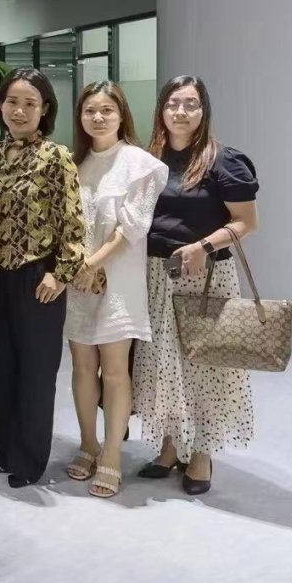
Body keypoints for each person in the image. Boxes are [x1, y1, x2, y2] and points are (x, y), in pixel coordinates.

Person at [135, 75, 260, 496]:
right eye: (173, 103)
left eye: (191, 103)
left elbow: (246, 222)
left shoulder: (224, 160)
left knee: (205, 365)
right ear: (161, 110)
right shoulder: (150, 157)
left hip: (204, 277)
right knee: (163, 362)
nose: (181, 112)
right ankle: (171, 445)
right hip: (156, 274)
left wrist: (204, 245)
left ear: (203, 110)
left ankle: (202, 451)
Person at [0, 69, 85, 488]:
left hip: (38, 276)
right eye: (11, 102)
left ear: (45, 110)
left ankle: (28, 459)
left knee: (36, 371)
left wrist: (61, 275)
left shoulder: (55, 156)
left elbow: (73, 223)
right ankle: (2, 449)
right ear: (0, 106)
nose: (19, 111)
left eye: (29, 104)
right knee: (1, 365)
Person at [65, 81, 169, 498]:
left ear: (122, 114)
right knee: (81, 367)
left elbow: (133, 226)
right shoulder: (74, 164)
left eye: (107, 110)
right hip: (79, 281)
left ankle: (111, 452)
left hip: (119, 279)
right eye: (90, 110)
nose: (98, 117)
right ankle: (88, 443)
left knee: (114, 370)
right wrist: (80, 266)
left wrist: (94, 263)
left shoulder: (139, 163)